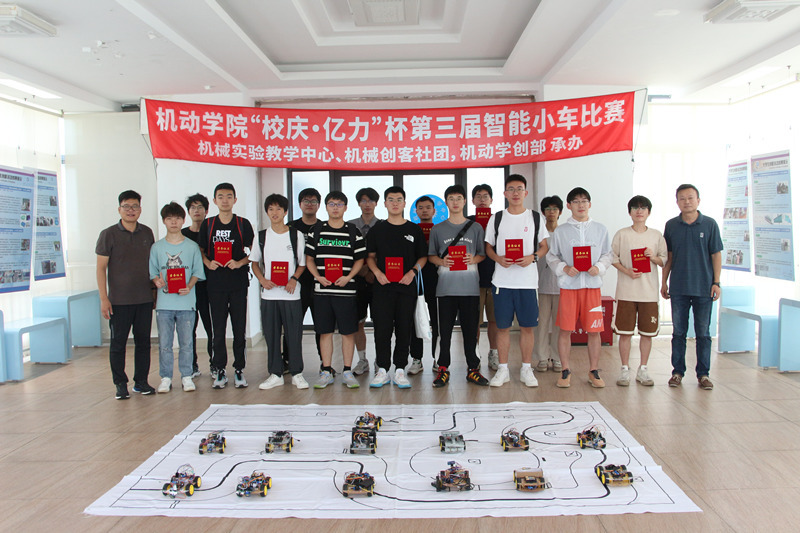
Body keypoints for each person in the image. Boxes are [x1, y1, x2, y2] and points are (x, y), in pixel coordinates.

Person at [484, 174, 549, 388]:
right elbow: (488, 247)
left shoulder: (535, 217)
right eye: (511, 189)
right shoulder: (497, 218)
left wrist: (533, 257)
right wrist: (498, 259)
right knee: (502, 327)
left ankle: (526, 369)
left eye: (519, 189)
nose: (515, 193)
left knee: (527, 327)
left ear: (525, 192)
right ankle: (503, 369)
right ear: (505, 193)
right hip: (502, 282)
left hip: (527, 283)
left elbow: (544, 246)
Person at [546, 187, 612, 388]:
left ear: (589, 204)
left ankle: (594, 371)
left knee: (594, 331)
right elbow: (551, 256)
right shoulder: (561, 231)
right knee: (565, 330)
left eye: (584, 201)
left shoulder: (600, 229)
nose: (580, 205)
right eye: (576, 201)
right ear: (568, 206)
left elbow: (608, 254)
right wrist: (564, 268)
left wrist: (599, 267)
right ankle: (565, 370)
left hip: (592, 287)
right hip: (569, 288)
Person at [661, 184, 722, 390]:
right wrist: (664, 281)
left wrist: (716, 282)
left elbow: (716, 254)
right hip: (678, 287)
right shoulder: (671, 225)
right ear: (677, 202)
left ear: (698, 200)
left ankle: (703, 375)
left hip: (704, 288)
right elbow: (669, 257)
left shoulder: (710, 224)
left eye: (690, 198)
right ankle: (677, 372)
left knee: (703, 333)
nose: (686, 202)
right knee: (678, 332)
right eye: (682, 198)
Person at [95, 190, 156, 399]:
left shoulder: (147, 233)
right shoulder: (108, 234)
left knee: (143, 343)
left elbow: (152, 265)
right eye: (127, 206)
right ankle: (120, 384)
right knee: (118, 344)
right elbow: (100, 268)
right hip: (118, 301)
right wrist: (104, 298)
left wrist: (155, 293)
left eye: (135, 206)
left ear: (140, 209)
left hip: (144, 299)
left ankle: (141, 382)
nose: (131, 210)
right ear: (119, 209)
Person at [427, 185, 489, 387]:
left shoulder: (476, 228)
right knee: (443, 332)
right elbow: (431, 256)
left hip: (470, 288)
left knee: (471, 331)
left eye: (459, 198)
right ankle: (442, 369)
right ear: (446, 202)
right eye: (451, 198)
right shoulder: (437, 229)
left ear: (465, 201)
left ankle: (473, 369)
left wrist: (474, 259)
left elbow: (482, 254)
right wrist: (442, 261)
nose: (455, 202)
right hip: (445, 289)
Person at [366, 186, 427, 388]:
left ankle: (400, 369)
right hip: (382, 288)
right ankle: (383, 370)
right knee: (382, 329)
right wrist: (377, 273)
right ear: (384, 203)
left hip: (406, 288)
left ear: (404, 203)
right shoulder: (377, 230)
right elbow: (370, 257)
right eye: (391, 199)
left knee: (404, 329)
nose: (395, 203)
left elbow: (423, 257)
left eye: (399, 199)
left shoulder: (414, 229)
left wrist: (412, 272)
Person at [304, 191, 366, 389]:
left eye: (339, 204)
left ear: (345, 208)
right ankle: (326, 371)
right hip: (322, 291)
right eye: (331, 204)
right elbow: (309, 259)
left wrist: (348, 277)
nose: (335, 208)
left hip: (346, 292)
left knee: (348, 332)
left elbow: (360, 260)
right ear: (326, 207)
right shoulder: (316, 230)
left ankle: (347, 371)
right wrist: (318, 276)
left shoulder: (353, 231)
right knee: (325, 332)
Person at [199, 182, 255, 389]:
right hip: (215, 284)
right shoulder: (208, 224)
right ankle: (219, 369)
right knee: (218, 329)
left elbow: (255, 251)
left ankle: (239, 369)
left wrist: (240, 263)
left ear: (235, 200)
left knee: (239, 329)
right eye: (220, 196)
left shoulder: (242, 224)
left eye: (229, 196)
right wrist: (208, 263)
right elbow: (200, 251)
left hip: (238, 283)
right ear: (214, 200)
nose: (225, 200)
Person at [250, 194, 309, 390]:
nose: (274, 213)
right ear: (267, 212)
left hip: (291, 294)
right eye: (270, 209)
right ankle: (275, 374)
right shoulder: (261, 236)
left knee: (294, 335)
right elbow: (254, 263)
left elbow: (302, 263)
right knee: (272, 335)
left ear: (285, 212)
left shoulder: (295, 235)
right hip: (269, 295)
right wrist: (262, 280)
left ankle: (297, 373)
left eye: (278, 209)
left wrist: (293, 279)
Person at [611, 195, 667, 386]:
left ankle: (643, 369)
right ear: (630, 212)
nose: (639, 211)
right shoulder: (622, 234)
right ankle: (624, 369)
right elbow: (612, 258)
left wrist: (653, 257)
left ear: (649, 212)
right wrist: (626, 270)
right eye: (635, 208)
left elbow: (664, 260)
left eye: (643, 208)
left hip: (648, 293)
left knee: (647, 334)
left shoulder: (656, 235)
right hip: (626, 292)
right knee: (625, 333)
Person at [149, 202, 205, 393]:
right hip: (164, 304)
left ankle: (187, 376)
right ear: (164, 221)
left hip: (186, 304)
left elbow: (197, 271)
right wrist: (157, 281)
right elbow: (153, 272)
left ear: (183, 220)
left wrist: (189, 286)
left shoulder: (192, 247)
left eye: (178, 218)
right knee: (165, 344)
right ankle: (165, 377)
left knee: (187, 343)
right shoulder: (157, 247)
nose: (174, 222)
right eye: (169, 219)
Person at [348, 187, 381, 376]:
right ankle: (362, 360)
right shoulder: (350, 226)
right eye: (363, 201)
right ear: (358, 203)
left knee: (380, 322)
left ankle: (379, 360)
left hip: (378, 280)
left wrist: (372, 271)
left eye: (370, 201)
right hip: (356, 280)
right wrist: (361, 271)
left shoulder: (383, 225)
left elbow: (386, 252)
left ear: (376, 203)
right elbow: (346, 253)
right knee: (358, 322)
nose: (367, 204)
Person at [290, 188, 324, 366]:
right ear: (300, 204)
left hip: (320, 282)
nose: (309, 204)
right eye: (306, 201)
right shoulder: (290, 227)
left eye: (313, 201)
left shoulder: (324, 227)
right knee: (293, 324)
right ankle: (289, 361)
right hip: (295, 283)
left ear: (319, 205)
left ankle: (324, 363)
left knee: (322, 325)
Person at [181, 193, 213, 378]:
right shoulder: (182, 234)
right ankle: (192, 365)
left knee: (212, 327)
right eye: (193, 207)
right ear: (188, 211)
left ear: (206, 210)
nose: (197, 210)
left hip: (209, 286)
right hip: (188, 288)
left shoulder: (212, 231)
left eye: (200, 207)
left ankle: (214, 364)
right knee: (189, 328)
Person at [469, 184, 499, 370]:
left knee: (494, 320)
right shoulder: (468, 222)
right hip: (473, 279)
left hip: (497, 278)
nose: (482, 199)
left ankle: (493, 352)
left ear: (491, 200)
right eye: (478, 196)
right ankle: (475, 354)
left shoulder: (499, 220)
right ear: (472, 201)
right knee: (475, 321)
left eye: (485, 196)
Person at [408, 195, 439, 374]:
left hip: (436, 279)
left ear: (434, 211)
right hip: (414, 279)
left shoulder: (440, 229)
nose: (424, 210)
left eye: (428, 207)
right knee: (415, 319)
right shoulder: (410, 230)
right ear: (416, 211)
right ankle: (416, 359)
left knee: (437, 319)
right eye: (421, 208)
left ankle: (437, 358)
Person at [533, 195, 563, 373]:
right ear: (543, 212)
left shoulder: (564, 233)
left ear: (560, 212)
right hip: (542, 283)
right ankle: (542, 357)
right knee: (542, 323)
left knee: (559, 324)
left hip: (562, 285)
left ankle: (557, 357)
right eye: (548, 209)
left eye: (555, 209)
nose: (551, 212)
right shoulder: (538, 233)